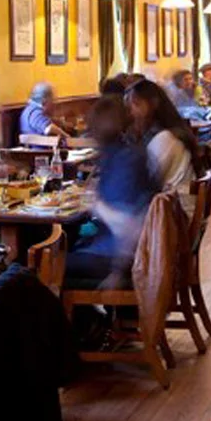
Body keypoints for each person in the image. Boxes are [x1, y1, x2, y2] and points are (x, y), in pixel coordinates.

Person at [65, 96, 158, 283]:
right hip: (128, 251)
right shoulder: (131, 153)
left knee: (43, 264)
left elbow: (126, 224)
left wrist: (118, 272)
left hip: (114, 256)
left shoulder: (123, 161)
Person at [126, 78, 201, 193]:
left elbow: (146, 180)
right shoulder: (157, 133)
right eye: (129, 106)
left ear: (154, 104)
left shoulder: (165, 137)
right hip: (166, 197)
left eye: (136, 104)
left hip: (175, 201)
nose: (131, 112)